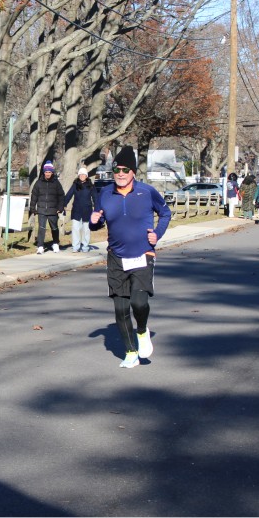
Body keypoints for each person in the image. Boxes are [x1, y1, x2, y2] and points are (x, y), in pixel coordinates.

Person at [90, 146, 171, 368]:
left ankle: (142, 331)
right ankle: (130, 352)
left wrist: (157, 234)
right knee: (121, 309)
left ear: (133, 171)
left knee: (139, 302)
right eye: (117, 169)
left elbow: (165, 213)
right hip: (116, 257)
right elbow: (98, 220)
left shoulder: (147, 191)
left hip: (143, 255)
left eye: (125, 169)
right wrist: (94, 221)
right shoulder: (105, 193)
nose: (120, 173)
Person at [30, 160, 65, 253]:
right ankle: (40, 246)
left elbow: (61, 196)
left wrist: (60, 208)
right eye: (46, 172)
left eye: (49, 172)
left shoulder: (56, 183)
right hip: (41, 210)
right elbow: (34, 196)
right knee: (41, 228)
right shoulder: (38, 183)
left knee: (54, 228)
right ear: (44, 172)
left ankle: (56, 243)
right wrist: (32, 208)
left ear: (52, 172)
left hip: (53, 210)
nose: (48, 174)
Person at [64, 166, 97, 252]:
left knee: (86, 230)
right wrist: (63, 204)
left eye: (84, 174)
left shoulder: (91, 186)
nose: (82, 176)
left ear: (86, 176)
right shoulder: (75, 185)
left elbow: (95, 198)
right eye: (80, 174)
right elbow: (69, 195)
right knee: (75, 229)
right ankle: (76, 247)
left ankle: (85, 246)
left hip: (87, 210)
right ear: (78, 175)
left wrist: (97, 209)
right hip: (76, 210)